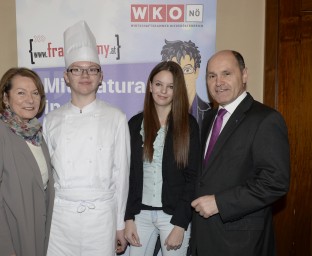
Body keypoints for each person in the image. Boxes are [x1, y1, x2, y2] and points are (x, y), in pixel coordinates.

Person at [43, 20, 130, 256]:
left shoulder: (116, 118)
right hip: (60, 219)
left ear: (100, 76)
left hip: (101, 219)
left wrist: (119, 225)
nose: (84, 75)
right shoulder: (51, 120)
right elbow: (45, 175)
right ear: (66, 76)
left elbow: (121, 175)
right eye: (77, 69)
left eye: (92, 69)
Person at [191, 50, 290, 256]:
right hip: (204, 237)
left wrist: (220, 202)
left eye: (226, 73)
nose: (219, 82)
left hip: (241, 243)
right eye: (212, 76)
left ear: (244, 75)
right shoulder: (208, 118)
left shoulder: (266, 119)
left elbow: (275, 182)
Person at [0, 68, 55, 256]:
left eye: (35, 93)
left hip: (31, 232)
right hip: (4, 237)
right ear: (6, 98)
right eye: (21, 93)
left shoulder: (36, 136)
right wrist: (4, 249)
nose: (30, 100)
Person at [124, 61, 200, 256]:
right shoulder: (134, 124)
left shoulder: (189, 126)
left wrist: (181, 224)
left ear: (178, 91)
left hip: (173, 216)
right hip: (139, 215)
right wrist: (128, 217)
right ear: (150, 86)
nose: (163, 91)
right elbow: (128, 175)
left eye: (171, 86)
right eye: (158, 84)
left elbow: (193, 178)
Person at [161, 39, 211, 126]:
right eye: (175, 71)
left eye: (187, 70)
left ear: (196, 72)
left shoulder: (211, 113)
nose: (182, 77)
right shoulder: (159, 112)